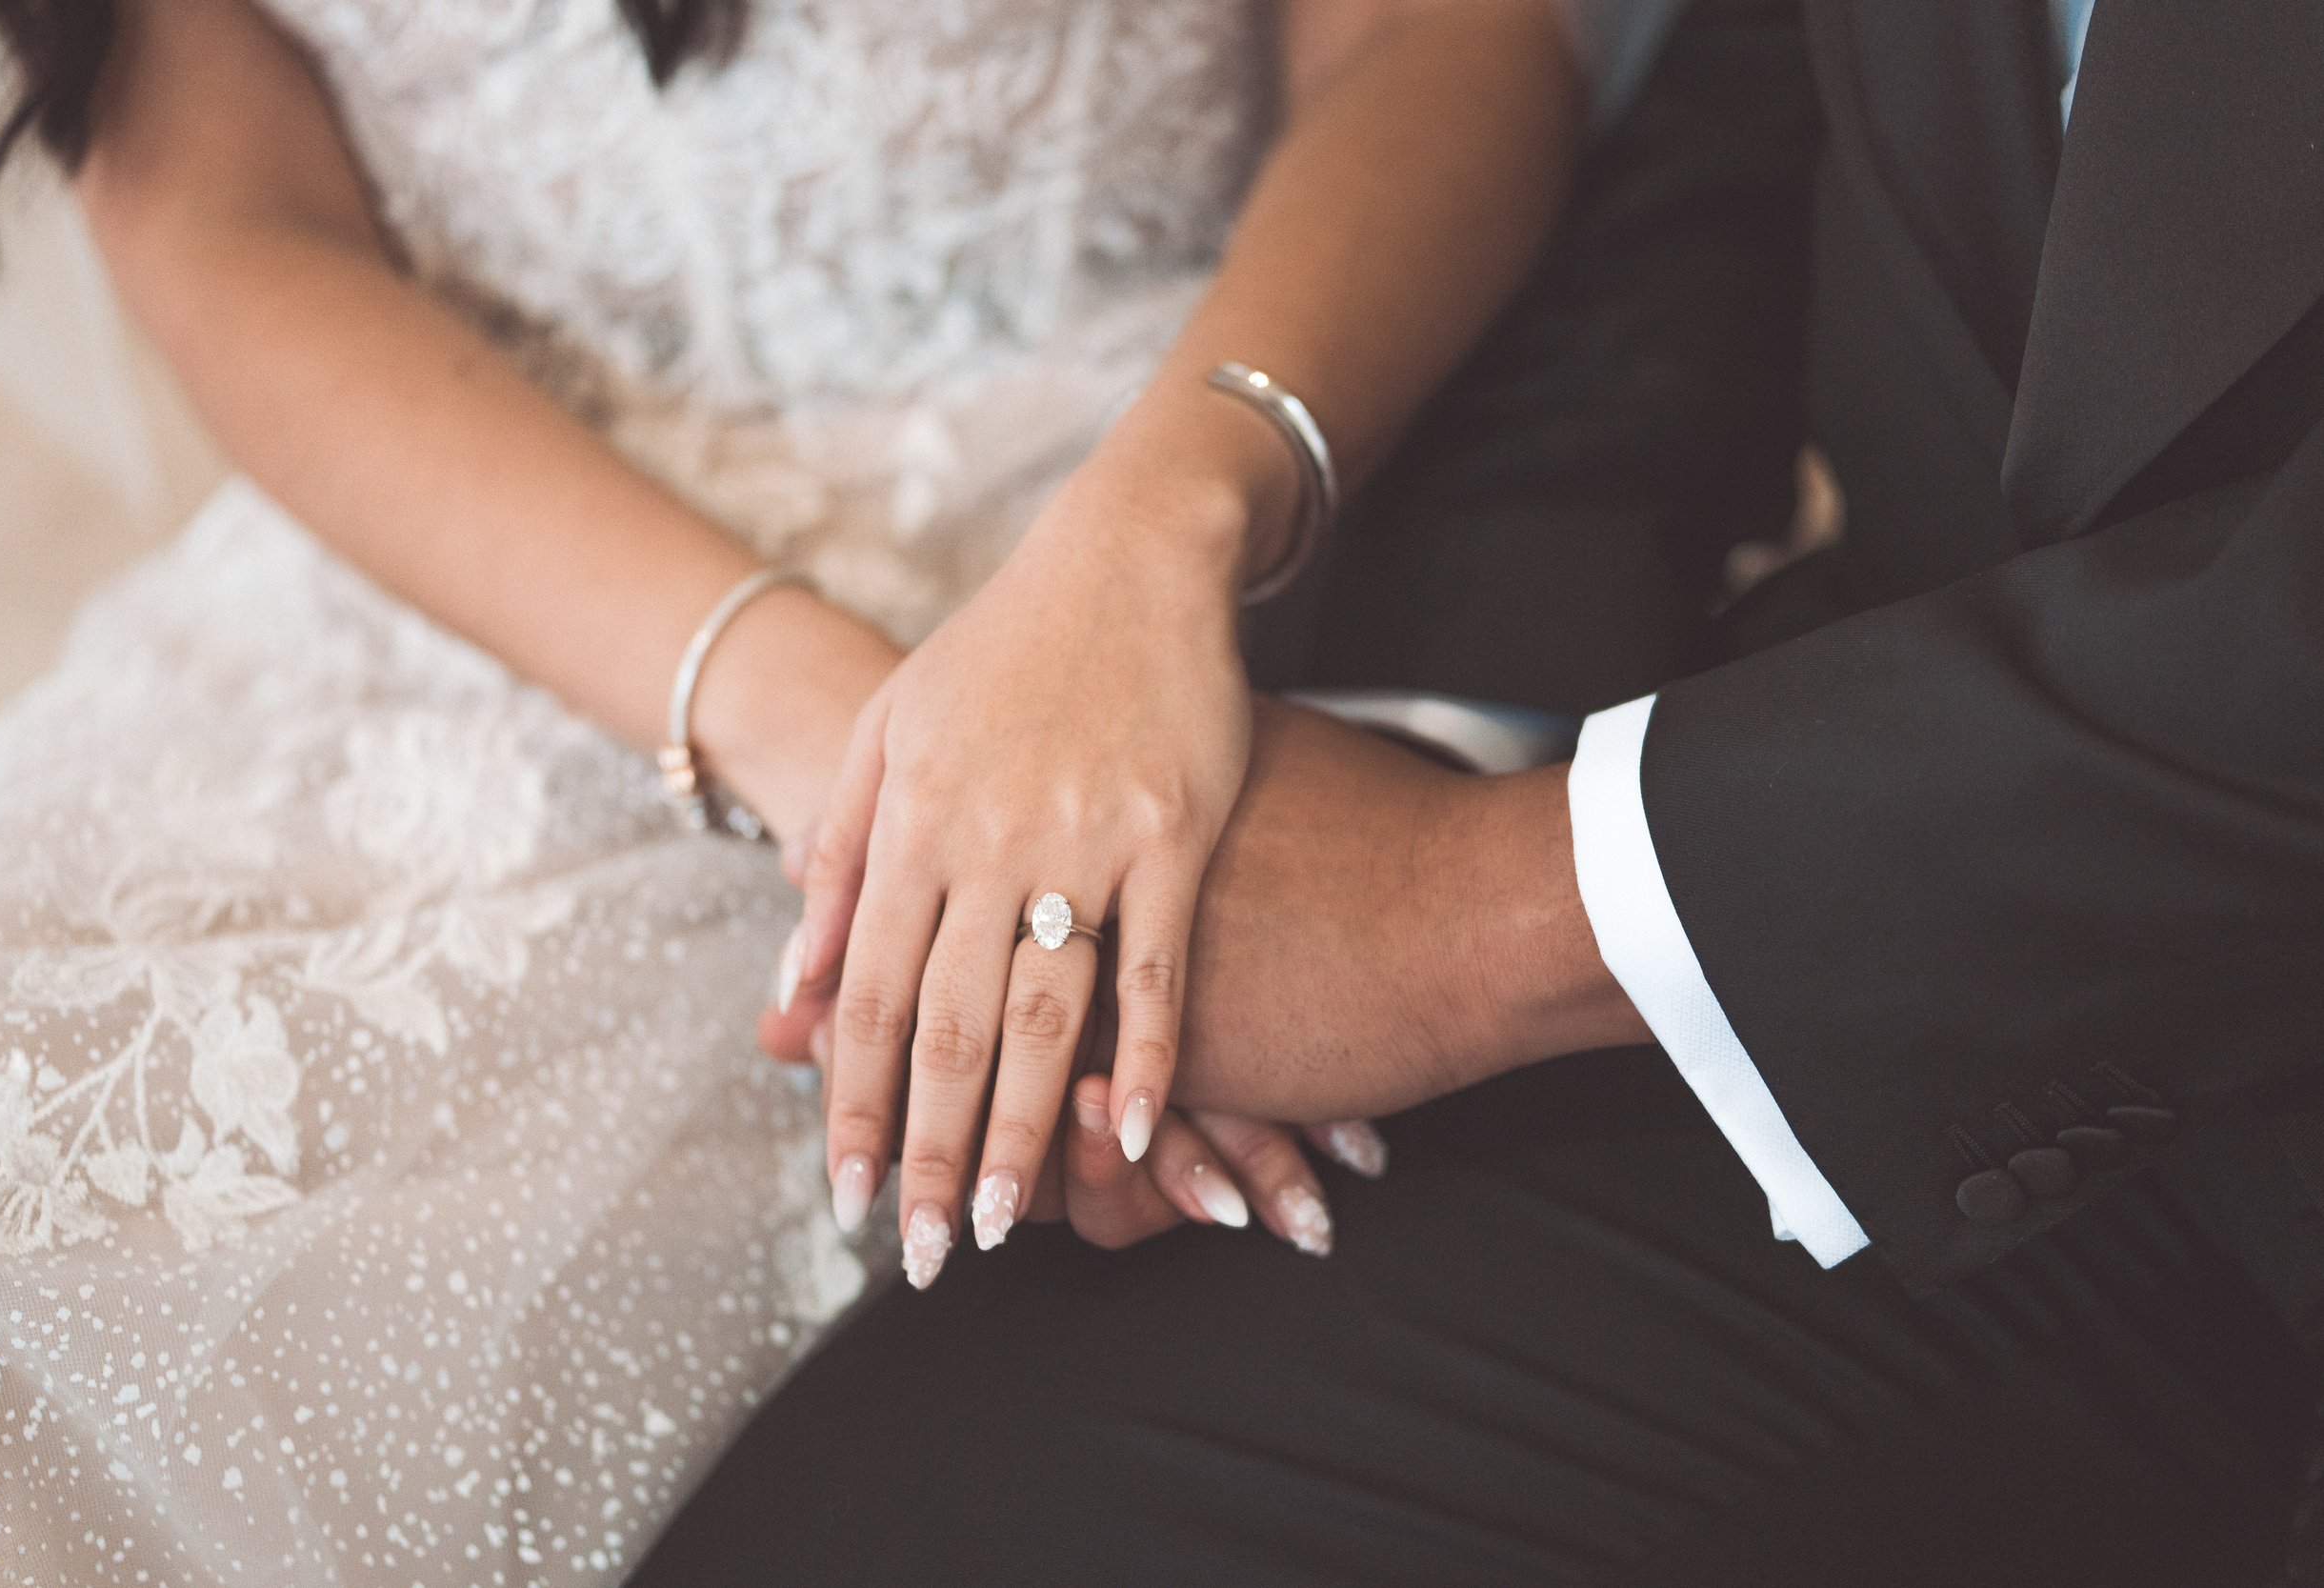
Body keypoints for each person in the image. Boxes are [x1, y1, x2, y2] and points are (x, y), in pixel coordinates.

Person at [0, 0, 1635, 1580]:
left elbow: (1440, 40)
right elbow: (233, 221)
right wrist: (864, 773)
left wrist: (1167, 525)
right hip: (452, 569)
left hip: (1149, 512)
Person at [686, 1, 2324, 1582]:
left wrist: (1465, 908)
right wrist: (1382, 763)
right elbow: (1759, 106)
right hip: (1870, 928)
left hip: (2146, 985)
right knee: (904, 1520)